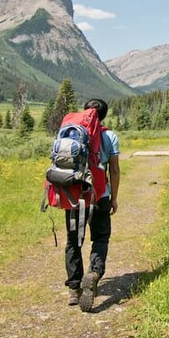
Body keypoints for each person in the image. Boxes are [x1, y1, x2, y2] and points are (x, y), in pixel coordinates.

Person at [65, 98, 120, 312]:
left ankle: (73, 288)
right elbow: (114, 170)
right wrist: (114, 197)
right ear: (103, 115)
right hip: (99, 196)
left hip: (74, 195)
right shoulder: (109, 136)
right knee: (100, 237)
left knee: (73, 241)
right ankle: (94, 273)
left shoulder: (71, 132)